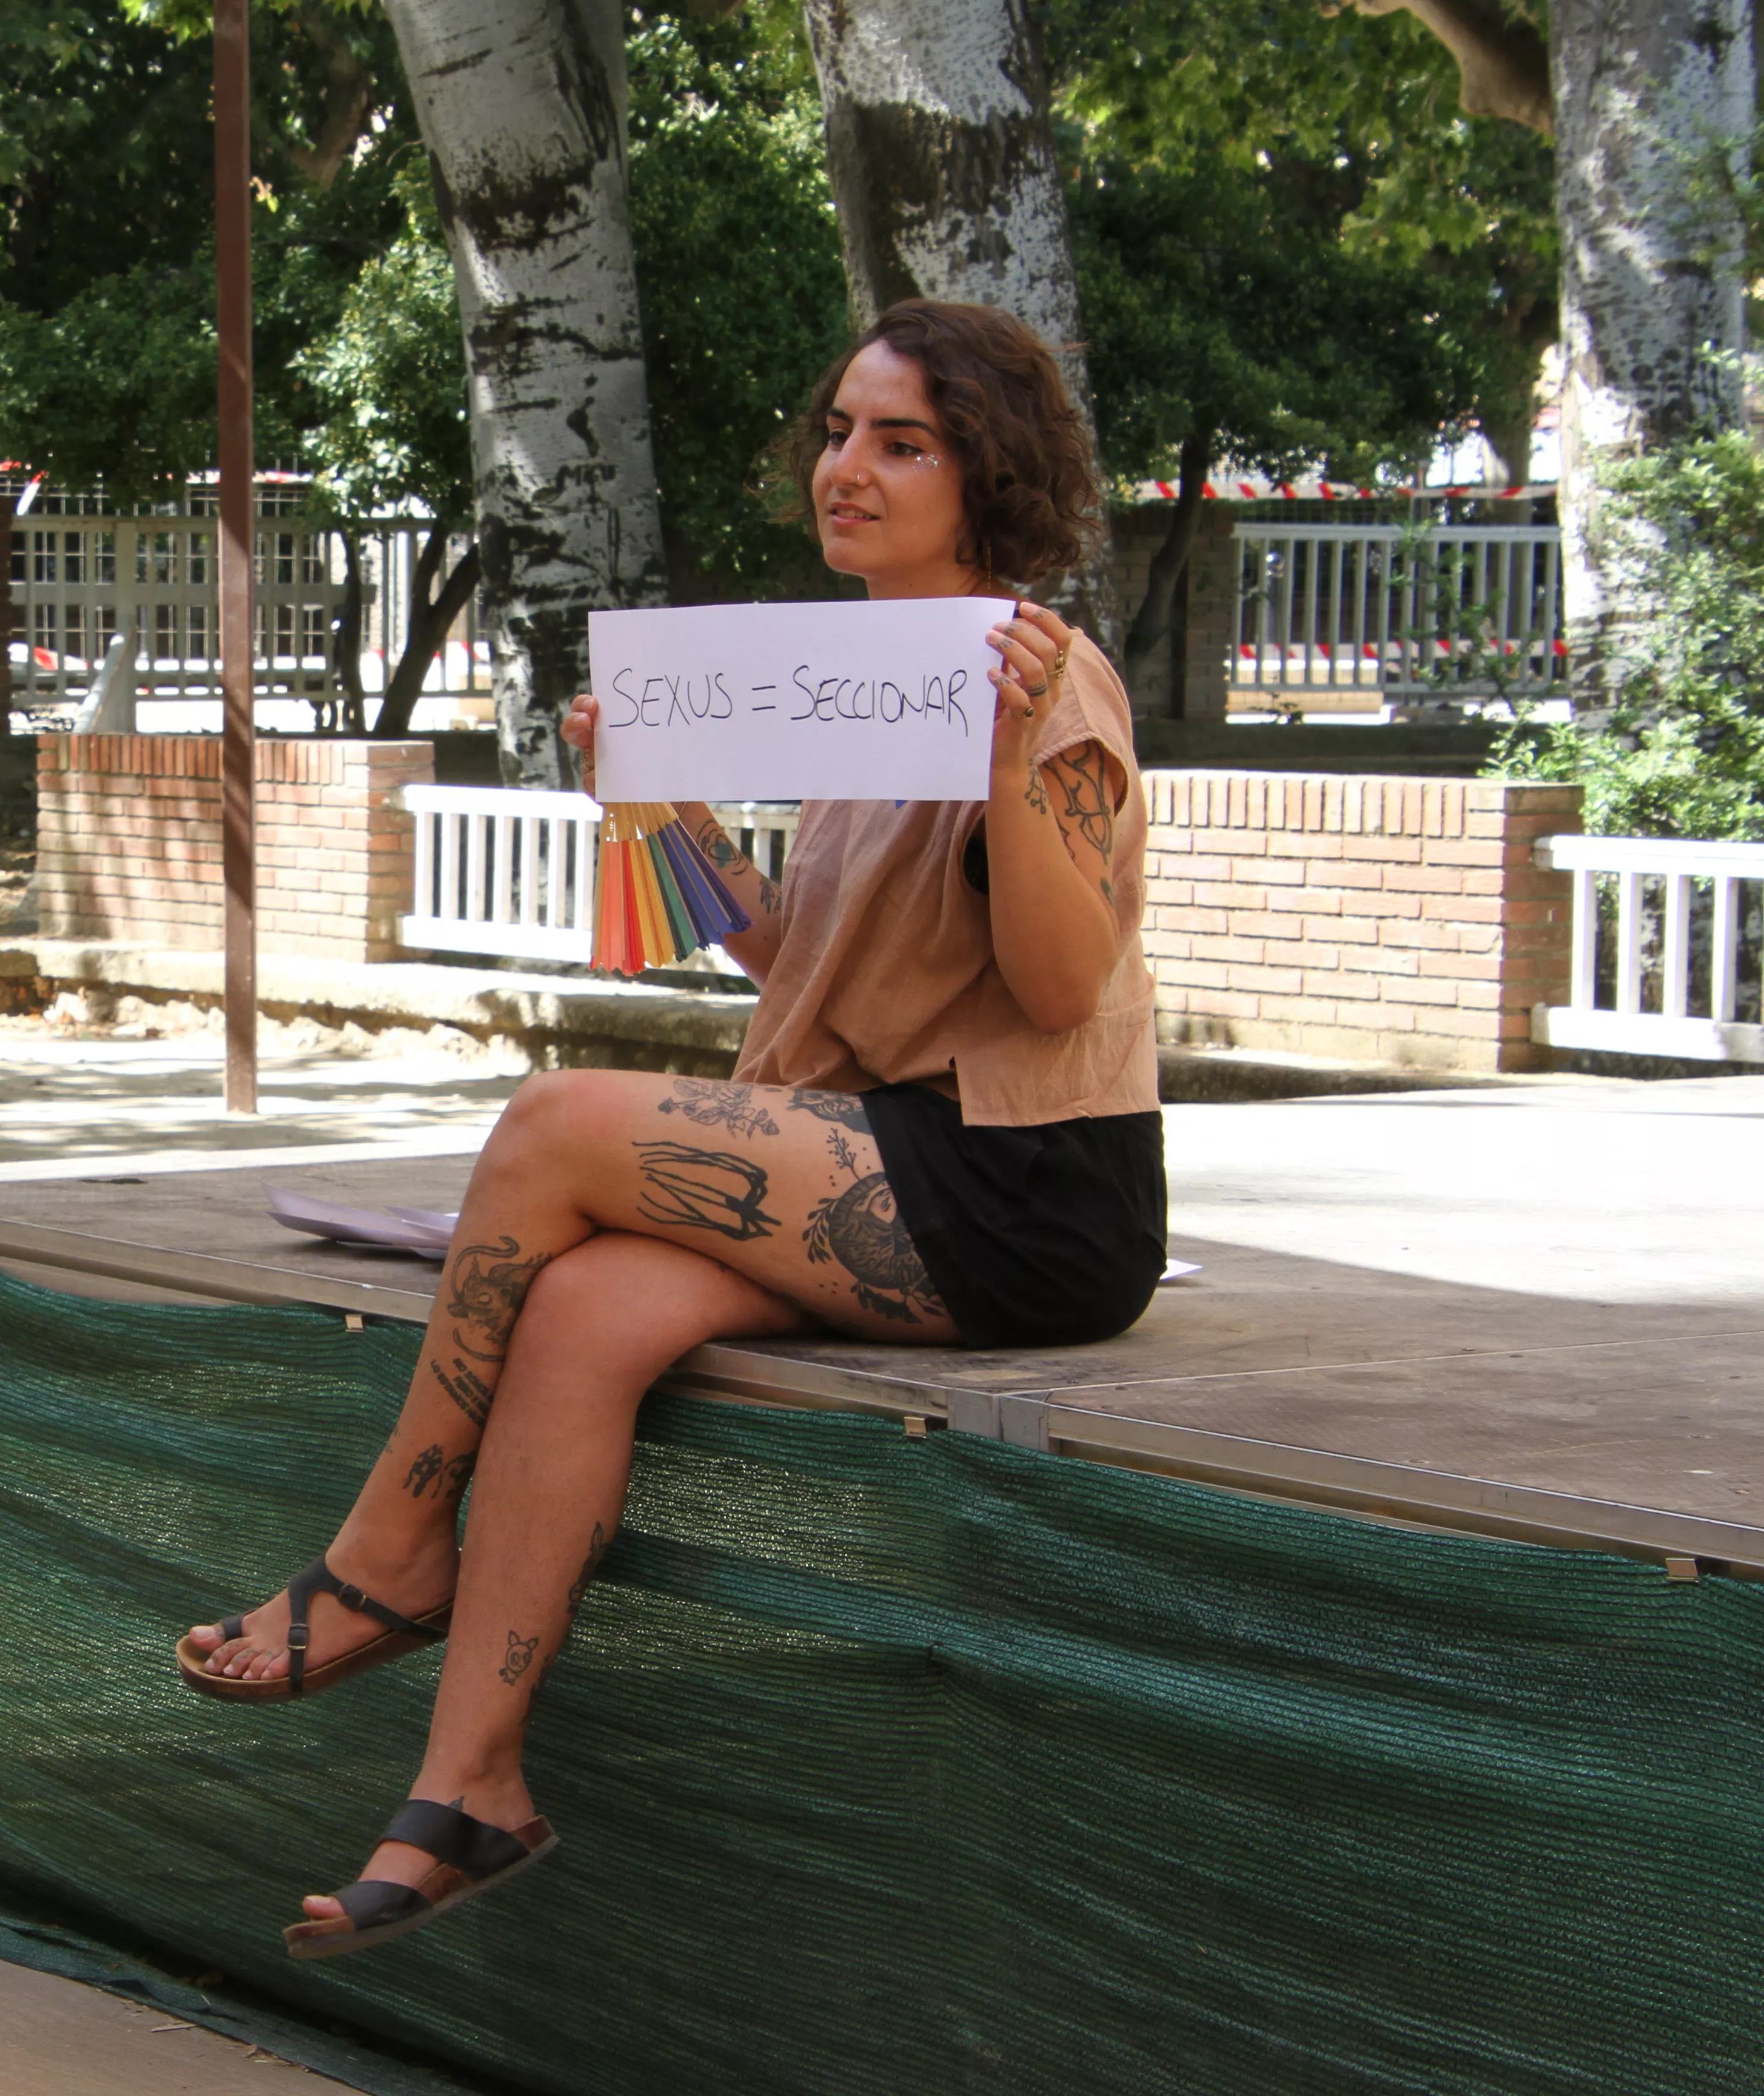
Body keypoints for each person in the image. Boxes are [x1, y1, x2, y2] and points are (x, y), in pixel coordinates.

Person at [175, 299, 1167, 1959]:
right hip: (876, 1157)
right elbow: (797, 959)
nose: (847, 468)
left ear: (986, 472)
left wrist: (1005, 762)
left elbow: (1064, 992)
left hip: (1024, 1187)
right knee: (579, 1310)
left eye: (901, 442)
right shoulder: (874, 679)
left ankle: (391, 1545)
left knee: (555, 1119)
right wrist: (665, 815)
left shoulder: (1040, 681)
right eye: (840, 433)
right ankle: (468, 1792)